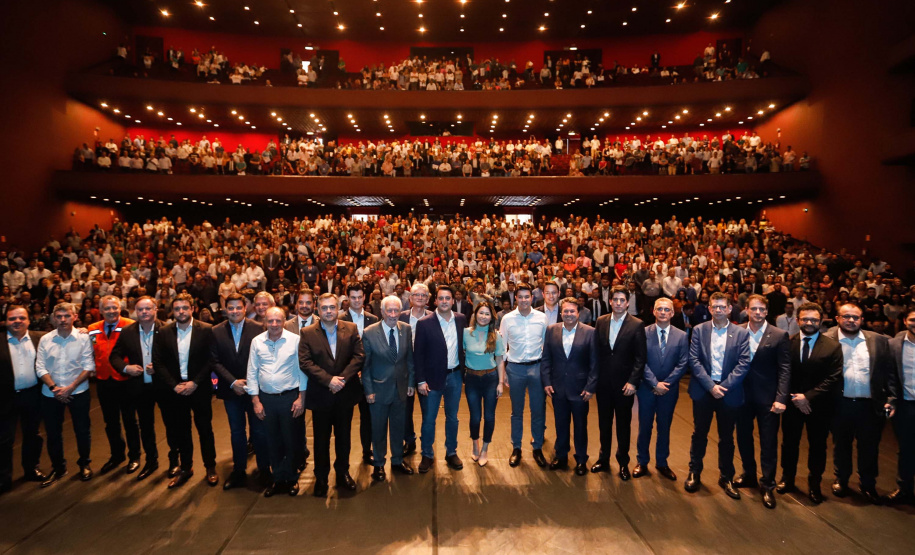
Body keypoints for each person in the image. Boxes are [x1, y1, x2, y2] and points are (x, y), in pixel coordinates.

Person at [824, 302, 897, 504]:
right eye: (846, 316)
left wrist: (891, 397)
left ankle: (868, 484)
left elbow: (888, 372)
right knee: (842, 445)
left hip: (870, 405)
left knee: (870, 447)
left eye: (855, 317)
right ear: (837, 318)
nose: (851, 320)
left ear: (862, 320)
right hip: (840, 404)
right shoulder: (827, 340)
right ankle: (842, 480)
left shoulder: (878, 341)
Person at [685, 292, 751, 499]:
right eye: (715, 307)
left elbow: (743, 363)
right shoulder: (699, 330)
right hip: (704, 390)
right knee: (699, 434)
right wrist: (710, 386)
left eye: (723, 307)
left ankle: (726, 476)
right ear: (710, 309)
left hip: (728, 392)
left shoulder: (741, 333)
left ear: (730, 309)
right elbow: (693, 360)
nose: (719, 310)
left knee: (727, 437)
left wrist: (724, 386)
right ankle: (694, 472)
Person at [298, 293, 365, 498]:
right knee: (321, 439)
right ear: (318, 310)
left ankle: (343, 472)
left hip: (345, 393)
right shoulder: (307, 332)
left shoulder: (351, 328)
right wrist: (329, 380)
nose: (328, 311)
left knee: (344, 437)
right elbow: (306, 362)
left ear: (338, 309)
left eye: (332, 307)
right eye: (324, 308)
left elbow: (359, 356)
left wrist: (341, 379)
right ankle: (321, 477)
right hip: (322, 395)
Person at [777, 302, 843, 505]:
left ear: (821, 321)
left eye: (814, 319)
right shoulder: (787, 343)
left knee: (817, 446)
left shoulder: (832, 345)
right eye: (805, 319)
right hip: (792, 404)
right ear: (798, 320)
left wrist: (808, 397)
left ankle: (814, 484)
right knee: (789, 444)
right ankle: (787, 479)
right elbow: (782, 373)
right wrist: (795, 398)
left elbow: (834, 377)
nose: (809, 323)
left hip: (820, 406)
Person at [152, 292, 219, 489]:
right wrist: (173, 385)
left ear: (192, 309)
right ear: (173, 311)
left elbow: (211, 360)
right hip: (176, 389)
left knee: (205, 429)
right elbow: (158, 361)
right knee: (182, 431)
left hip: (199, 388)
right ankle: (186, 468)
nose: (181, 311)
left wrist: (195, 382)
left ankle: (210, 467)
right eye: (177, 308)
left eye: (184, 308)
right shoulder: (164, 332)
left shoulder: (207, 330)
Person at [734, 295, 791, 509]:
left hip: (768, 399)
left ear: (767, 312)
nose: (758, 313)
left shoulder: (779, 335)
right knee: (743, 437)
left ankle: (767, 484)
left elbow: (785, 369)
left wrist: (781, 398)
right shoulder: (737, 330)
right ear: (747, 310)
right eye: (754, 309)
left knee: (768, 442)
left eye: (762, 309)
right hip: (741, 396)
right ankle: (748, 474)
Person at [211, 292, 269, 490]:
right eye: (231, 308)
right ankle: (239, 471)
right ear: (225, 310)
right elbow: (215, 361)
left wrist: (250, 383)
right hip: (231, 391)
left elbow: (264, 360)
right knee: (236, 432)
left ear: (246, 309)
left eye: (238, 307)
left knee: (260, 432)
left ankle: (263, 469)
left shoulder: (259, 328)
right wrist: (232, 382)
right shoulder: (216, 331)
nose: (234, 311)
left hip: (255, 391)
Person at [247, 307, 307, 497]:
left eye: (278, 321)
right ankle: (277, 478)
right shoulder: (257, 342)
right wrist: (255, 400)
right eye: (270, 321)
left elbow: (302, 371)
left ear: (284, 321)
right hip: (266, 400)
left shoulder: (295, 340)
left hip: (289, 398)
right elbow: (252, 371)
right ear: (265, 321)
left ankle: (291, 478)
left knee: (291, 439)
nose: (274, 325)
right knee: (271, 440)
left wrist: (301, 398)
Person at [109, 296, 170, 481]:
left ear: (155, 309)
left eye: (148, 309)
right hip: (140, 387)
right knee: (146, 426)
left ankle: (176, 462)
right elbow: (114, 356)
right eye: (140, 309)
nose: (144, 312)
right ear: (136, 311)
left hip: (165, 386)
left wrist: (160, 367)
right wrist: (126, 368)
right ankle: (151, 461)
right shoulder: (127, 332)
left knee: (172, 425)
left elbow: (178, 357)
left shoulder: (168, 329)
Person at [36, 302, 95, 487]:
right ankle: (58, 467)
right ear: (54, 318)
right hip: (50, 393)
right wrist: (55, 388)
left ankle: (84, 464)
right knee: (53, 433)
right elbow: (40, 367)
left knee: (82, 431)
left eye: (67, 316)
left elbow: (89, 366)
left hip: (78, 391)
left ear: (74, 317)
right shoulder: (45, 339)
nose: (63, 320)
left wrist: (70, 387)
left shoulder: (83, 338)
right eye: (59, 316)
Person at [592, 285, 646, 479]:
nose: (618, 303)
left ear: (627, 303)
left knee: (623, 425)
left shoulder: (637, 324)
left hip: (625, 386)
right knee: (604, 424)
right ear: (610, 301)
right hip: (604, 385)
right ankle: (603, 459)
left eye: (622, 300)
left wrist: (633, 382)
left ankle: (623, 462)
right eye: (615, 300)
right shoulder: (601, 321)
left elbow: (641, 358)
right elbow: (596, 353)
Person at [541, 297, 598, 475]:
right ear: (560, 313)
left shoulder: (590, 332)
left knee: (580, 426)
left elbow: (595, 363)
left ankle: (581, 459)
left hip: (580, 389)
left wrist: (590, 387)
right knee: (561, 424)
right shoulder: (551, 330)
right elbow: (546, 358)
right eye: (565, 311)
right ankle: (561, 455)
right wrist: (547, 382)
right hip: (558, 388)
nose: (568, 314)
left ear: (578, 313)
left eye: (572, 311)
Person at [362, 295, 415, 482]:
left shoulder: (406, 330)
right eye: (389, 311)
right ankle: (378, 464)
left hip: (401, 389)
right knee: (378, 429)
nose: (393, 314)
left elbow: (409, 359)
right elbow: (365, 366)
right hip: (378, 390)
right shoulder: (369, 332)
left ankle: (397, 460)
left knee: (398, 428)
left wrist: (410, 383)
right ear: (382, 312)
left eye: (396, 310)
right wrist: (368, 391)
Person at [414, 285, 467, 472]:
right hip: (431, 380)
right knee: (429, 419)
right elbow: (418, 355)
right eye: (441, 298)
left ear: (453, 300)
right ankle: (427, 454)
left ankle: (451, 452)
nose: (444, 301)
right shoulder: (424, 323)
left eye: (448, 298)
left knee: (452, 418)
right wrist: (420, 380)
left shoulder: (461, 320)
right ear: (435, 301)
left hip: (455, 376)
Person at [634, 298, 688, 482]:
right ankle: (642, 461)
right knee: (645, 426)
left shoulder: (681, 335)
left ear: (673, 313)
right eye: (660, 309)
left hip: (669, 390)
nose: (663, 312)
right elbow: (640, 360)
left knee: (664, 427)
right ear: (654, 312)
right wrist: (654, 382)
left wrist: (667, 384)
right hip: (647, 388)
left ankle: (662, 463)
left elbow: (683, 363)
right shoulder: (643, 332)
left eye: (667, 309)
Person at [498, 283, 548, 468]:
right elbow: (502, 349)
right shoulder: (507, 319)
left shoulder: (542, 318)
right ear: (515, 298)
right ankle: (516, 447)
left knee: (538, 410)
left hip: (537, 368)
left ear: (532, 298)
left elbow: (546, 344)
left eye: (527, 296)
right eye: (520, 297)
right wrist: (502, 374)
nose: (524, 300)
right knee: (516, 412)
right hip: (515, 369)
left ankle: (537, 448)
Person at [89, 295, 140, 476]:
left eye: (114, 308)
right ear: (101, 310)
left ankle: (135, 456)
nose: (111, 311)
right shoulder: (92, 329)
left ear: (120, 309)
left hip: (126, 381)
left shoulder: (130, 325)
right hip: (103, 381)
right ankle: (117, 455)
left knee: (130, 421)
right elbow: (90, 350)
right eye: (107, 308)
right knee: (110, 423)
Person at [0, 306, 46, 492]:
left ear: (28, 320)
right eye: (12, 318)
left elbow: (64, 332)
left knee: (32, 435)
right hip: (5, 398)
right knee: (4, 439)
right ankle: (3, 478)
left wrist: (83, 330)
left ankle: (31, 469)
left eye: (21, 318)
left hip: (32, 395)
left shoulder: (40, 338)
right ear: (5, 322)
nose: (17, 321)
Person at [339, 283, 379, 466]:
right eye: (353, 297)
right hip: (346, 376)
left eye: (359, 297)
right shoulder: (339, 320)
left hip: (368, 376)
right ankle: (343, 459)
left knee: (368, 417)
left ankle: (366, 451)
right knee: (344, 420)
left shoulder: (373, 319)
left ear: (365, 298)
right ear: (347, 299)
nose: (356, 301)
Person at [463, 301, 505, 467]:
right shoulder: (466, 333)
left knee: (489, 416)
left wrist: (500, 383)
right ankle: (475, 443)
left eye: (487, 314)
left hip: (490, 379)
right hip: (472, 379)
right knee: (475, 417)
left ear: (491, 317)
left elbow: (500, 360)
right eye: (481, 313)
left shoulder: (496, 335)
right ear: (475, 314)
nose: (483, 316)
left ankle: (485, 449)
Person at [885, 307, 915, 505]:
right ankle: (904, 488)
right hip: (906, 405)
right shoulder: (894, 344)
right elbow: (890, 377)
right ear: (905, 321)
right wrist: (891, 400)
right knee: (906, 449)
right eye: (913, 319)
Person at [399, 283, 432, 456]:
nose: (420, 297)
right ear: (410, 298)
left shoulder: (434, 318)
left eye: (423, 295)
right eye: (416, 295)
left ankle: (427, 444)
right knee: (405, 410)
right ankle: (409, 440)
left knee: (429, 411)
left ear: (428, 299)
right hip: (405, 370)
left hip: (427, 371)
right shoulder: (400, 317)